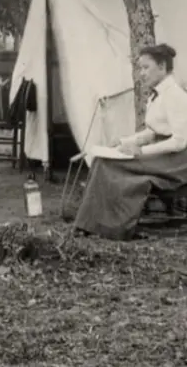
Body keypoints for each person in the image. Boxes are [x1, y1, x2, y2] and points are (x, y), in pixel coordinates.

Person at [74, 43, 187, 240]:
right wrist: (122, 142)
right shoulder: (157, 95)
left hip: (176, 161)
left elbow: (179, 141)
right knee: (103, 160)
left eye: (146, 67)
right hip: (163, 154)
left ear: (162, 67)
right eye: (140, 68)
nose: (142, 73)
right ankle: (94, 222)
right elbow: (153, 132)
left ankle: (108, 225)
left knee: (110, 165)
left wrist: (140, 152)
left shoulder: (175, 95)